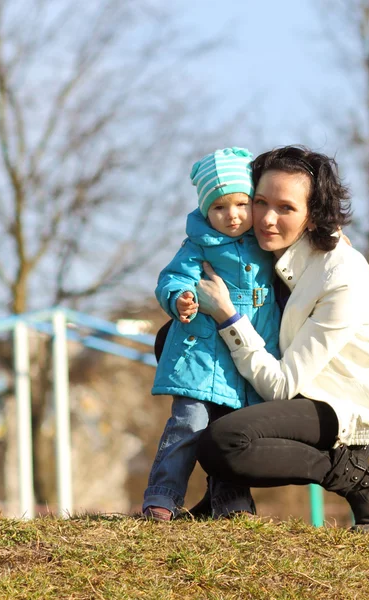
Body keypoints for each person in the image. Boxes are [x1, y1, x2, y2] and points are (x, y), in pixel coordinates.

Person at [194, 145, 369, 533]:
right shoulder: (262, 248)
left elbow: (282, 385)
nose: (267, 219)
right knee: (177, 341)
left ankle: (360, 480)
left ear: (312, 216)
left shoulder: (343, 278)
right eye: (260, 202)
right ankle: (227, 500)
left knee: (223, 442)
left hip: (343, 405)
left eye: (286, 208)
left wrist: (226, 315)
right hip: (293, 384)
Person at [143, 147, 281, 521]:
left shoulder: (266, 243)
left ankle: (232, 505)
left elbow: (305, 249)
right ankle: (162, 498)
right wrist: (180, 299)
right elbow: (171, 279)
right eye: (219, 207)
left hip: (245, 362)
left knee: (231, 436)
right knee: (188, 425)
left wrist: (333, 238)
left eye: (241, 203)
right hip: (201, 358)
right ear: (206, 210)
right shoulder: (197, 246)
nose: (232, 215)